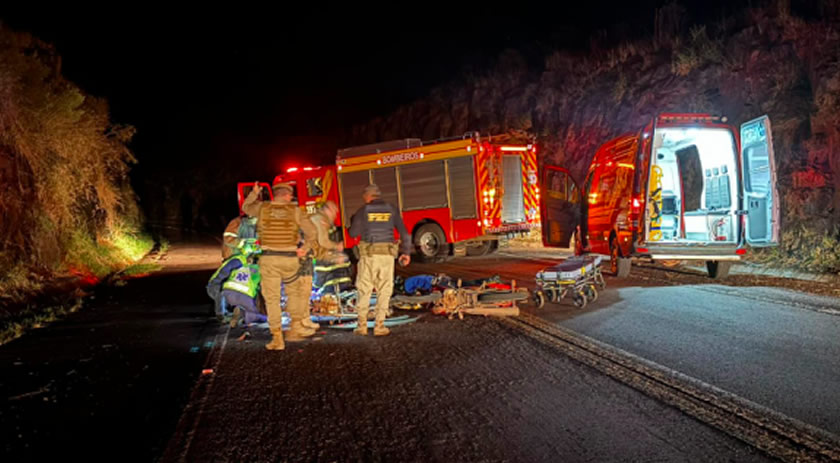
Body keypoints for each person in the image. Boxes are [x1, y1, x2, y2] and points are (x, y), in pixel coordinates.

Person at [242, 181, 318, 351]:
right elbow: (312, 231)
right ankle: (295, 327)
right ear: (287, 195)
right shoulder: (295, 211)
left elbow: (246, 207)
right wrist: (304, 249)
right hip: (290, 259)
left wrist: (254, 193)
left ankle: (277, 338)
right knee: (295, 294)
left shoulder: (262, 208)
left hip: (269, 260)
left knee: (272, 299)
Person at [348, 184, 411, 336]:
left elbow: (352, 233)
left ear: (367, 197)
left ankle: (362, 326)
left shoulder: (363, 211)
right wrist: (406, 253)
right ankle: (379, 326)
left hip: (369, 256)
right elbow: (405, 234)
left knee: (364, 289)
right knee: (384, 290)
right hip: (387, 257)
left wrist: (357, 224)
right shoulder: (391, 209)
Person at [206, 239, 267, 326]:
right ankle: (222, 314)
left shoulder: (246, 263)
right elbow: (220, 278)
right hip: (217, 287)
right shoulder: (238, 261)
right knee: (223, 291)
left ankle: (239, 313)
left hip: (232, 294)